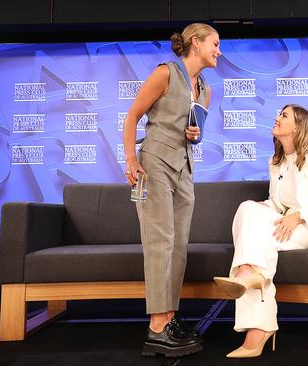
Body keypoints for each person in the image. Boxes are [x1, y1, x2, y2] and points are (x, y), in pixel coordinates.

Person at [123, 23, 221, 357]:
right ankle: (156, 328)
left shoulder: (205, 89)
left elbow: (197, 132)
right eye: (215, 44)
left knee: (178, 245)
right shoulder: (165, 73)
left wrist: (195, 135)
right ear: (196, 43)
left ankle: (169, 317)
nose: (219, 51)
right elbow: (133, 115)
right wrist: (129, 160)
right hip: (155, 163)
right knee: (160, 242)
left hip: (185, 169)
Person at [214, 104, 308, 358]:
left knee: (257, 244)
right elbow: (276, 203)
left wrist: (299, 216)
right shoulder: (276, 161)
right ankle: (248, 276)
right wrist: (260, 211)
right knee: (247, 208)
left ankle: (256, 326)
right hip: (286, 223)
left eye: (284, 116)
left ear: (298, 126)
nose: (276, 118)